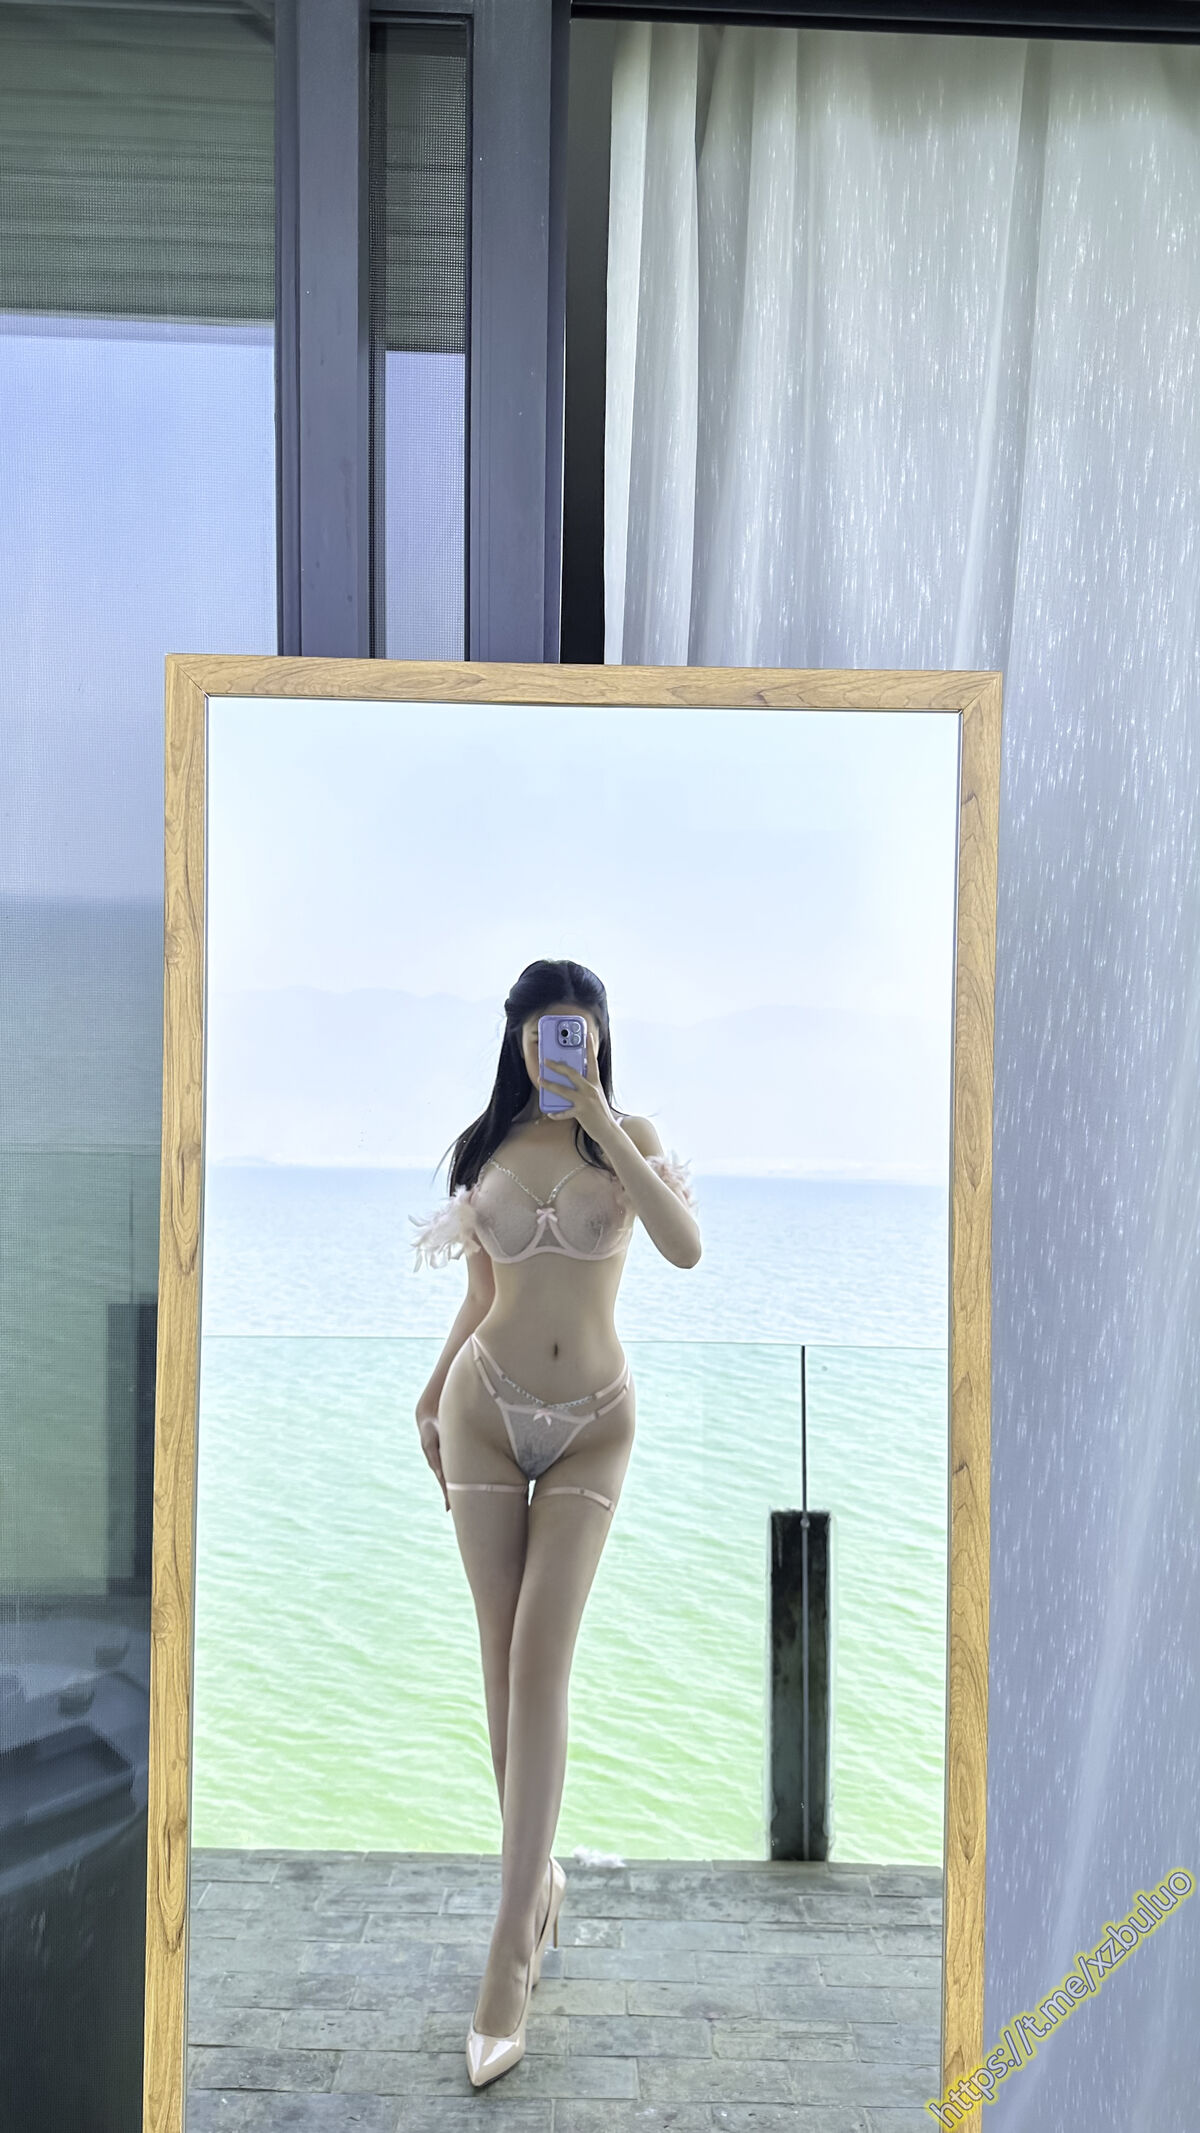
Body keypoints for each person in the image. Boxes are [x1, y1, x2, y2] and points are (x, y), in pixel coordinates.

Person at [410, 958, 701, 2088]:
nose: (555, 1045)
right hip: (483, 1412)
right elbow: (482, 1296)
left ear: (599, 1037)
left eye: (573, 1029)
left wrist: (606, 1127)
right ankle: (536, 1889)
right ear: (518, 1038)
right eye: (540, 1029)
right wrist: (430, 1397)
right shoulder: (486, 1149)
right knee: (500, 1659)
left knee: (541, 1657)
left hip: (591, 1424)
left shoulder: (628, 1137)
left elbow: (683, 1246)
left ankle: (507, 1956)